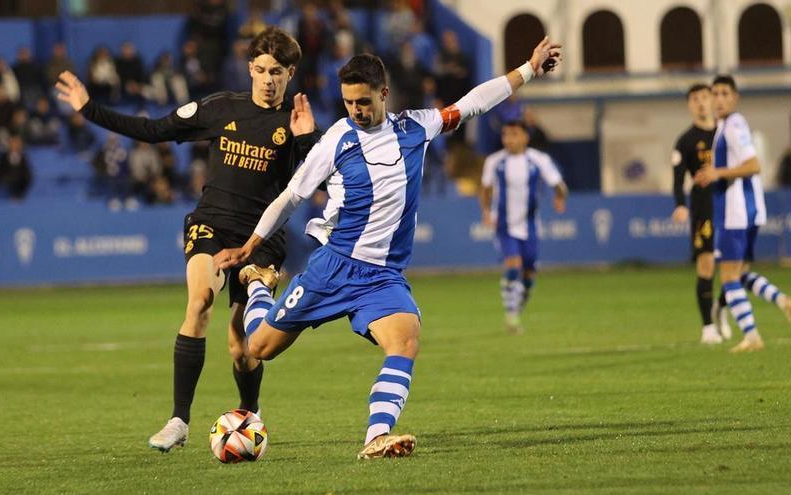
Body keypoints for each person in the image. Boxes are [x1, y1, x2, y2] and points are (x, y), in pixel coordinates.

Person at [214, 37, 562, 458]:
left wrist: (528, 67)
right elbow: (291, 196)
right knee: (258, 348)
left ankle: (376, 436)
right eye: (347, 103)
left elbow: (473, 103)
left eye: (362, 102)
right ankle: (258, 285)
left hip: (381, 278)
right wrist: (252, 246)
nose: (355, 111)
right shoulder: (337, 140)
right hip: (333, 269)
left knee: (406, 340)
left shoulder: (415, 128)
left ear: (383, 94)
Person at [55, 26, 321, 452]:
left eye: (277, 71)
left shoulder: (297, 121)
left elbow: (323, 180)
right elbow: (152, 129)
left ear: (291, 73)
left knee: (242, 345)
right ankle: (179, 419)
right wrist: (89, 109)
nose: (268, 79)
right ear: (250, 68)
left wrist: (308, 138)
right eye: (260, 69)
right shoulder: (219, 108)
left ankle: (249, 413)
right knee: (200, 301)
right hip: (211, 225)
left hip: (261, 236)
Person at [694, 75, 791, 353]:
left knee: (728, 277)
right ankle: (782, 300)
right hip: (746, 210)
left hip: (735, 212)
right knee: (740, 272)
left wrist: (717, 173)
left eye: (725, 93)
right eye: (716, 93)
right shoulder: (725, 127)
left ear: (735, 98)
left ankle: (751, 336)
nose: (720, 99)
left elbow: (753, 165)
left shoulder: (734, 125)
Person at [479, 121, 567, 335]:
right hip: (505, 225)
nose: (509, 139)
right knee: (513, 266)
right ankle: (511, 316)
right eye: (506, 135)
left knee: (528, 275)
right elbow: (486, 188)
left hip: (529, 226)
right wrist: (486, 212)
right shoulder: (494, 161)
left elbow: (558, 184)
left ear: (525, 137)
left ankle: (516, 307)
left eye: (514, 134)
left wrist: (560, 197)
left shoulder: (538, 159)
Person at [669, 83, 724, 344]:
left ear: (712, 101)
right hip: (703, 206)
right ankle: (708, 327)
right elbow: (678, 179)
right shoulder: (685, 140)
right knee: (706, 264)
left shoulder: (726, 133)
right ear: (689, 105)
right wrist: (680, 205)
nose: (701, 103)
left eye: (705, 97)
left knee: (735, 264)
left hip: (730, 204)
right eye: (695, 99)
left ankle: (721, 307)